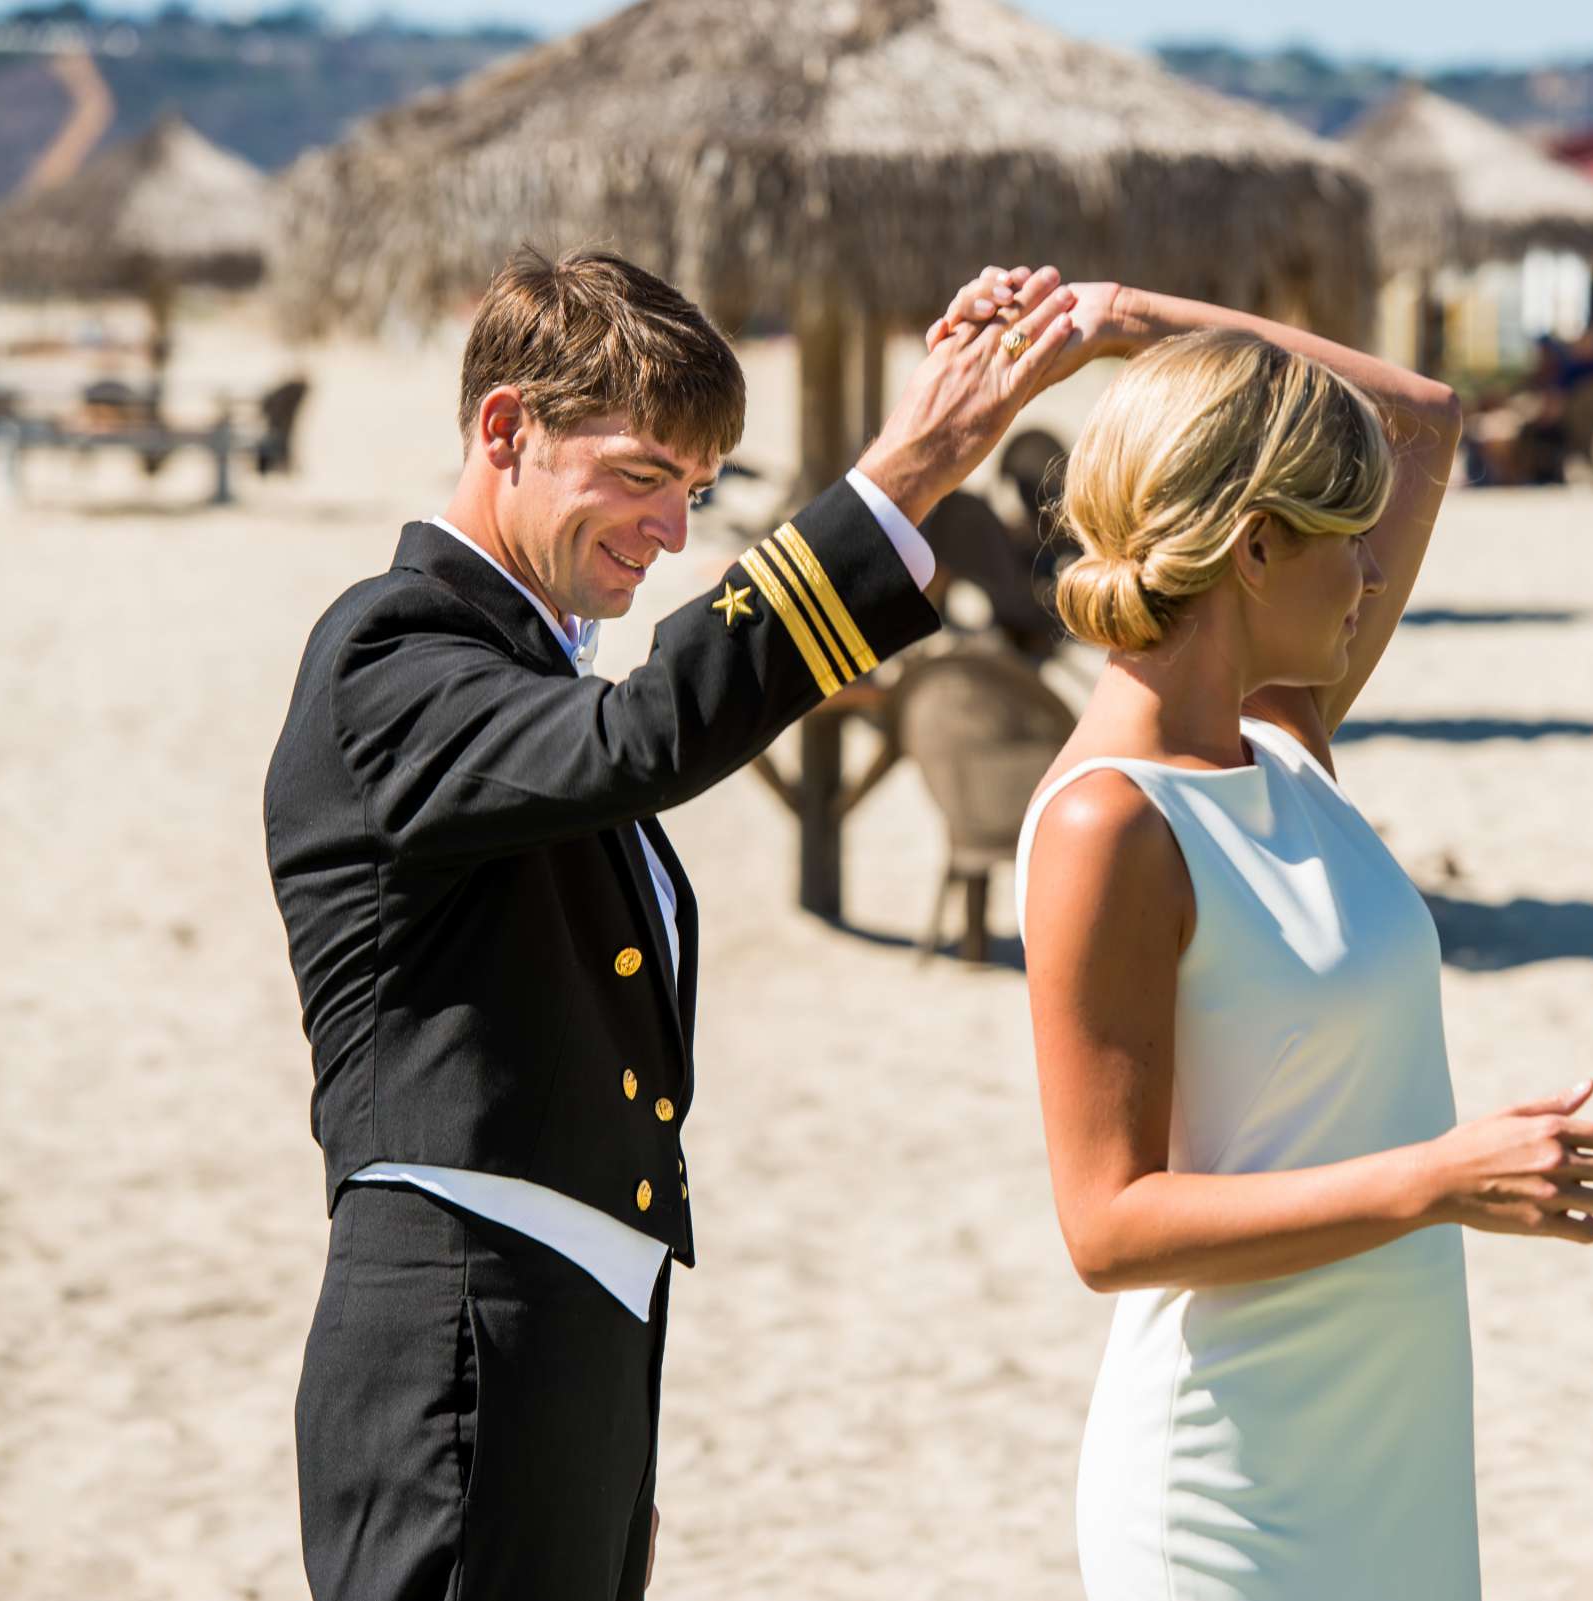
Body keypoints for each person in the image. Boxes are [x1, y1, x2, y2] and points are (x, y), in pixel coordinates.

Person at [264, 246, 1077, 1600]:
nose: (671, 528)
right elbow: (646, 734)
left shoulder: (515, 672)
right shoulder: (390, 650)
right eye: (643, 475)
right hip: (465, 1329)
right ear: (504, 428)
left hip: (563, 1334)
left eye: (695, 494)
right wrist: (911, 469)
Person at [1003, 289, 1593, 1599]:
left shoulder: (1284, 746)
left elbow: (1423, 418)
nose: (1370, 572)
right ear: (1252, 548)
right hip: (1233, 1493)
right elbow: (1108, 1226)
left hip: (1395, 1457)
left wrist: (1125, 320)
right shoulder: (1107, 823)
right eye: (1342, 541)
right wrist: (1437, 1177)